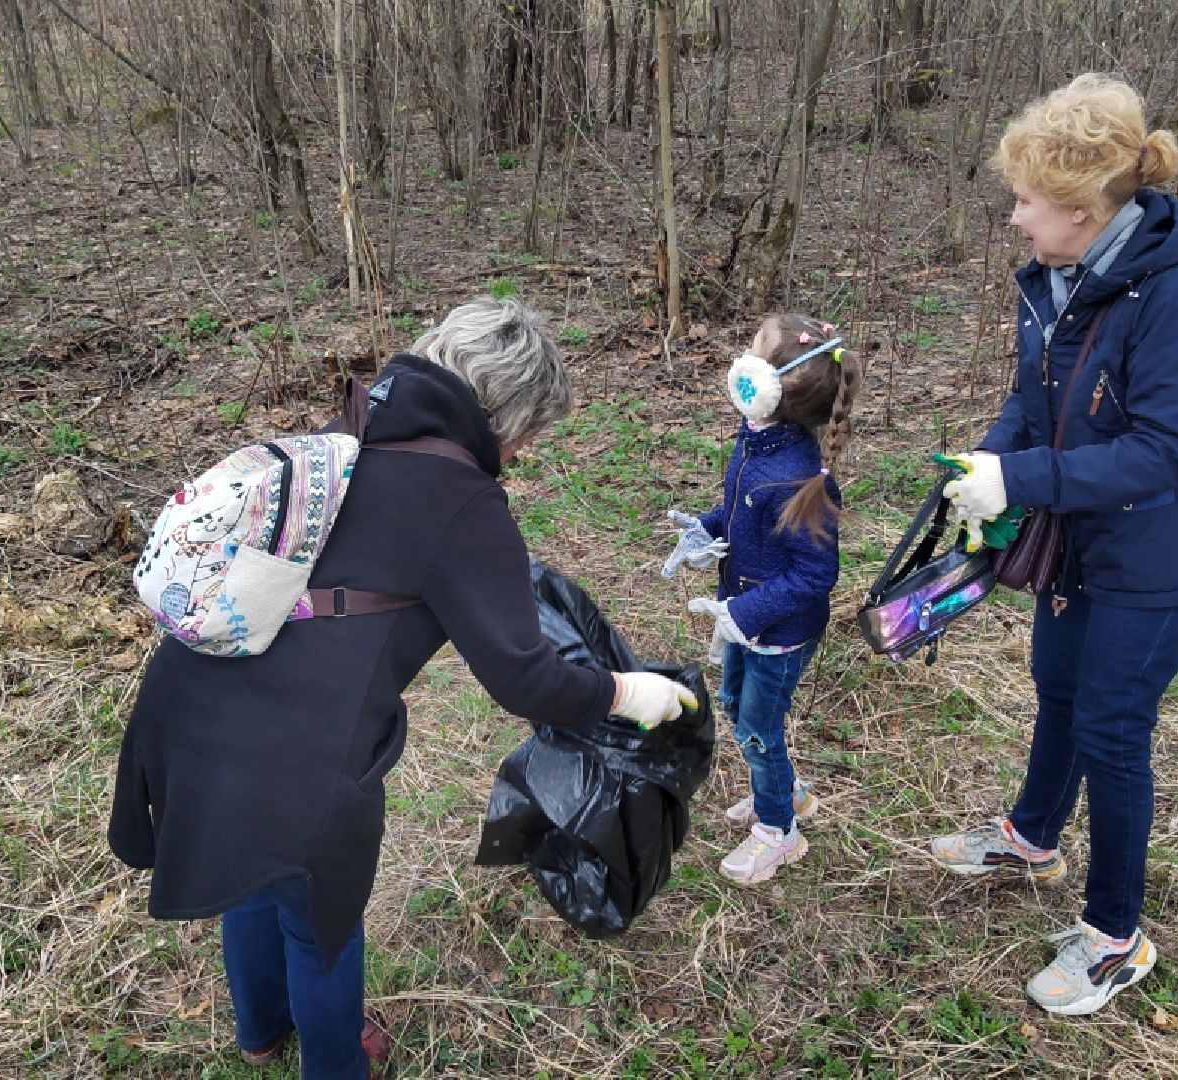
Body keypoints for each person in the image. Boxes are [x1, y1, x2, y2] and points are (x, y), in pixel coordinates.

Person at [107, 297, 698, 1078]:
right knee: (318, 923)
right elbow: (526, 679)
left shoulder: (350, 430)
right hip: (295, 752)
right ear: (511, 414)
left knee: (250, 876)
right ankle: (335, 1063)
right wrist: (626, 694)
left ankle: (261, 1031)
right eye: (529, 433)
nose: (522, 452)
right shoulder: (462, 499)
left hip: (193, 697)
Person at [927, 73, 1178, 1016]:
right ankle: (1033, 838)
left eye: (1026, 201)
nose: (1014, 218)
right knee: (1057, 685)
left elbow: (1170, 449)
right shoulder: (1060, 276)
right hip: (1081, 538)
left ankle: (1115, 938)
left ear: (1079, 208)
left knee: (1111, 724)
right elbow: (1034, 396)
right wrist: (991, 461)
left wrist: (1023, 481)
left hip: (1159, 556)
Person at [669, 313, 862, 885]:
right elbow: (741, 512)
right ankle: (786, 791)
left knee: (758, 728)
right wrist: (706, 529)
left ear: (775, 385)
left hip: (776, 633)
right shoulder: (758, 440)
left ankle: (779, 831)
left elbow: (815, 574)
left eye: (754, 350)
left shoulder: (797, 477)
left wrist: (743, 613)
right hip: (744, 616)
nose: (741, 359)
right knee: (734, 701)